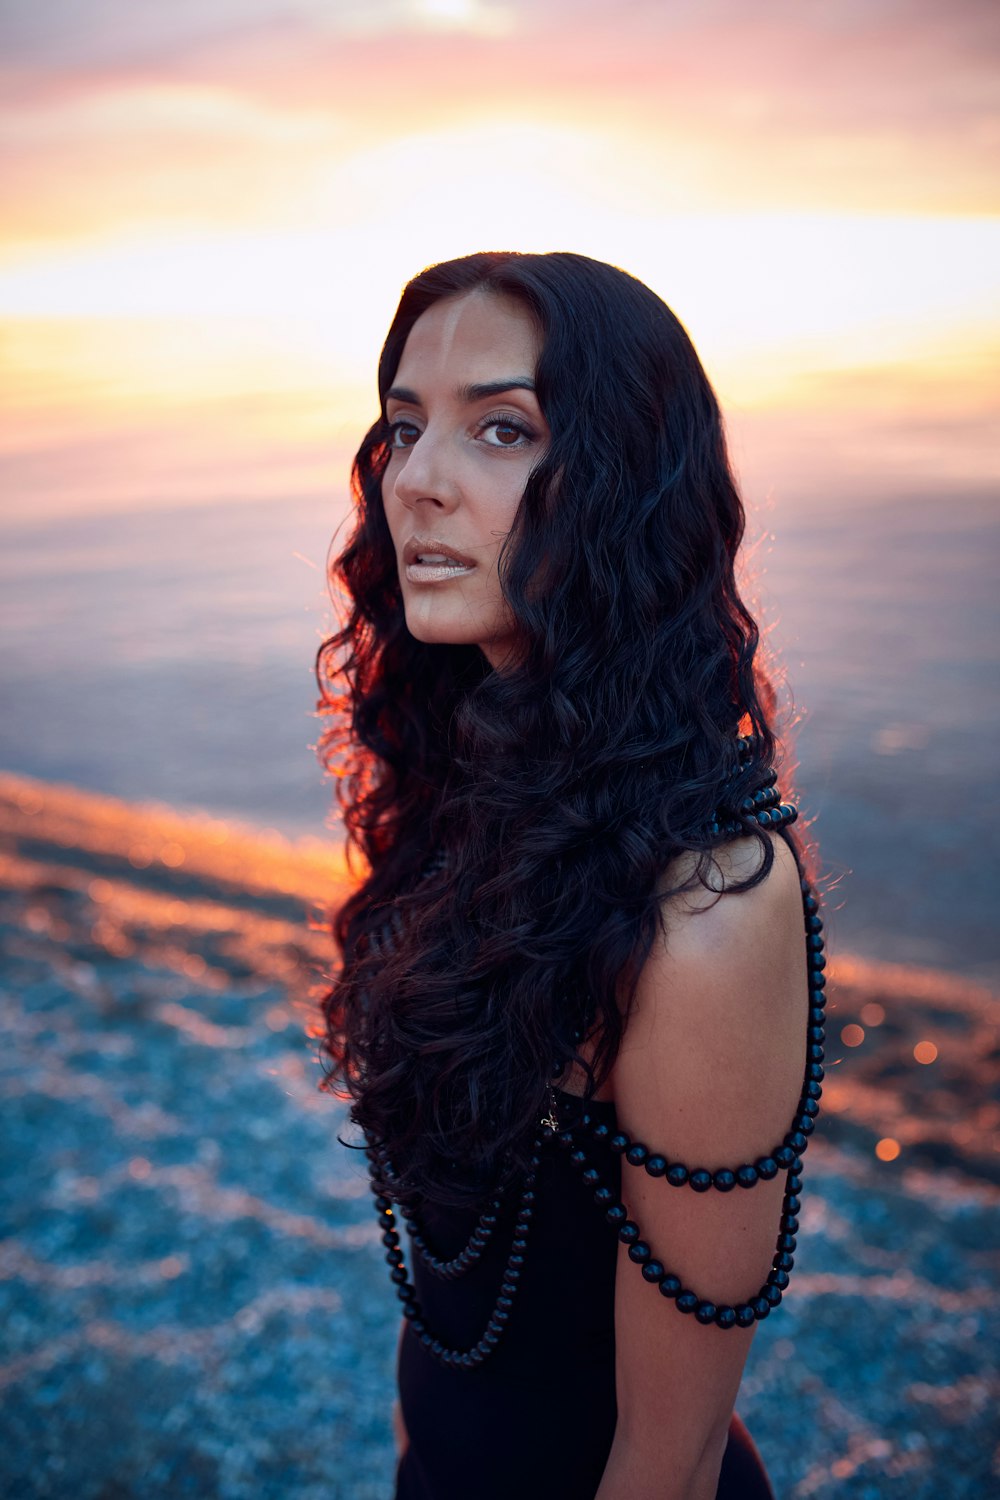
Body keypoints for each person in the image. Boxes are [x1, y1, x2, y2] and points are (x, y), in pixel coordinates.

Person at [316, 251, 825, 1500]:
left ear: (623, 484)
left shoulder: (706, 907)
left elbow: (672, 1453)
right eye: (403, 426)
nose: (418, 482)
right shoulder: (467, 785)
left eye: (501, 429)